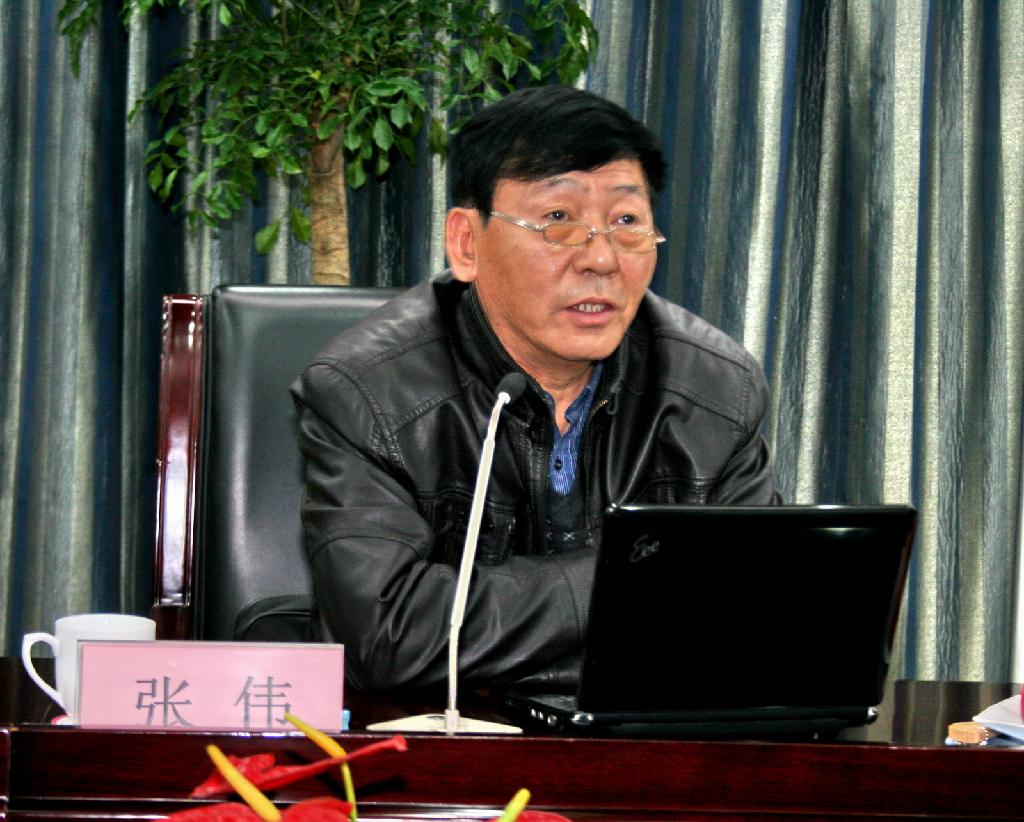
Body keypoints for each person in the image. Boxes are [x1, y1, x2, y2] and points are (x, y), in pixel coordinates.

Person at [291, 85, 779, 692]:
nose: (601, 259)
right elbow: (389, 640)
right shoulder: (368, 394)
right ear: (467, 243)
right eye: (558, 220)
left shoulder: (716, 391)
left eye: (626, 222)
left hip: (643, 742)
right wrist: (640, 580)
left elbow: (761, 625)